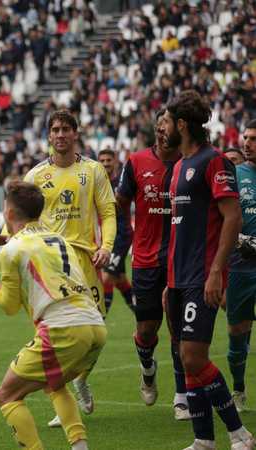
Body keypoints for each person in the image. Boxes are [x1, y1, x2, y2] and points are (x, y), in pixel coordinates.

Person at [0, 109, 116, 424]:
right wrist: (6, 236)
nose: (60, 135)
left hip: (83, 261)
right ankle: (64, 399)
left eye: (65, 129)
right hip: (46, 263)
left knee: (96, 331)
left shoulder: (93, 170)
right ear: (49, 135)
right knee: (53, 329)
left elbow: (109, 213)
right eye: (55, 129)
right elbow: (20, 213)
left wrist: (107, 247)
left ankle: (80, 379)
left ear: (76, 133)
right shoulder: (35, 176)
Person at [0, 181, 105, 450]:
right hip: (95, 326)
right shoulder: (57, 238)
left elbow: (8, 305)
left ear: (10, 214)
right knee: (54, 383)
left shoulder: (12, 250)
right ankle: (80, 447)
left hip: (64, 330)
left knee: (7, 395)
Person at [162, 90, 252, 450]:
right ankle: (203, 440)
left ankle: (240, 434)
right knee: (186, 358)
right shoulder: (180, 166)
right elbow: (179, 228)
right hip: (179, 277)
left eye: (167, 121)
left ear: (182, 124)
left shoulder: (213, 161)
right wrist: (170, 283)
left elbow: (233, 217)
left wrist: (217, 271)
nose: (163, 127)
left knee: (193, 357)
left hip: (203, 275)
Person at [116, 110, 190, 418]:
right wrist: (128, 240)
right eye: (159, 125)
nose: (162, 130)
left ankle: (181, 395)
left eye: (167, 125)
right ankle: (147, 368)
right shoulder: (135, 162)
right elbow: (119, 206)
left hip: (180, 259)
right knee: (146, 329)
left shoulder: (189, 164)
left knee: (178, 329)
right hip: (145, 260)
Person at [225, 120, 256, 412]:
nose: (247, 143)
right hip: (240, 266)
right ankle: (238, 388)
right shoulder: (234, 175)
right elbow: (222, 216)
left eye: (253, 139)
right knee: (237, 331)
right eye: (246, 138)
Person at [97, 148, 134, 313]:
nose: (105, 164)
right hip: (106, 238)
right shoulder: (97, 184)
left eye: (108, 160)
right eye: (102, 161)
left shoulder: (121, 183)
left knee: (106, 278)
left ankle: (99, 319)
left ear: (115, 161)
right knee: (120, 279)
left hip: (121, 237)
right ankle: (143, 314)